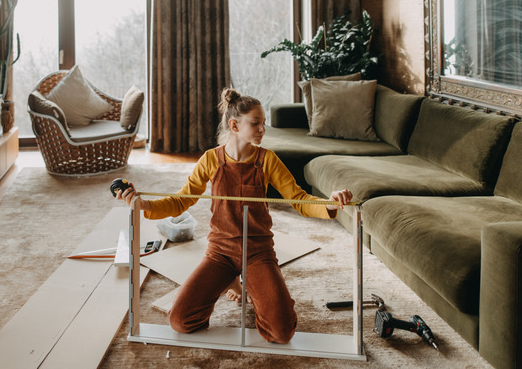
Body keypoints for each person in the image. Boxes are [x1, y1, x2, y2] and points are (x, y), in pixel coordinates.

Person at [116, 88, 352, 344]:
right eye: (256, 123)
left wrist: (330, 203)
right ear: (234, 125)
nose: (262, 129)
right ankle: (231, 280)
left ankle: (256, 286)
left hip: (258, 252)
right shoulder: (210, 159)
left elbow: (300, 199)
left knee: (281, 332)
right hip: (220, 252)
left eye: (263, 123)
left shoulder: (268, 160)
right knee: (180, 321)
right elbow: (182, 200)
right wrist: (145, 205)